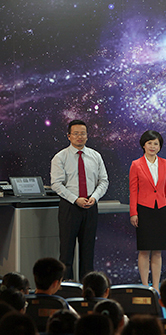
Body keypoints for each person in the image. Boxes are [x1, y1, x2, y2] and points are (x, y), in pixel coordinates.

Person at [50, 120, 109, 281]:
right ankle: (67, 289)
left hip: (90, 207)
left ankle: (87, 289)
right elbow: (56, 184)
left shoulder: (95, 156)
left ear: (87, 136)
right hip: (70, 207)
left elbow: (104, 181)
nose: (79, 136)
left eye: (82, 133)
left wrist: (94, 198)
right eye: (75, 133)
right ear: (69, 136)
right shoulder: (60, 157)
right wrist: (75, 199)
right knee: (67, 253)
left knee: (88, 253)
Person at [129, 130, 166, 291]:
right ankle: (144, 285)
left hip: (161, 210)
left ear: (160, 146)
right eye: (150, 143)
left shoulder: (165, 163)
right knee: (144, 250)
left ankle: (155, 287)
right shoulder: (136, 164)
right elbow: (133, 191)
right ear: (143, 145)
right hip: (144, 210)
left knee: (157, 251)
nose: (153, 146)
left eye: (156, 143)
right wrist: (133, 213)